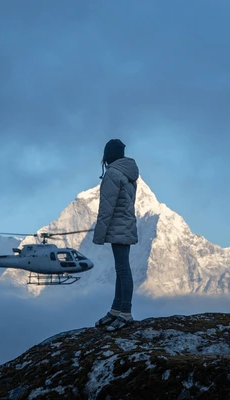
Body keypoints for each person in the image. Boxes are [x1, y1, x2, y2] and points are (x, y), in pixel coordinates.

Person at [92, 139, 139, 332]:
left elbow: (107, 207)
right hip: (126, 224)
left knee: (122, 269)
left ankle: (125, 313)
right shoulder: (129, 173)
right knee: (121, 268)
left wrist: (99, 235)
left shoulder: (112, 173)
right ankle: (116, 310)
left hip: (117, 226)